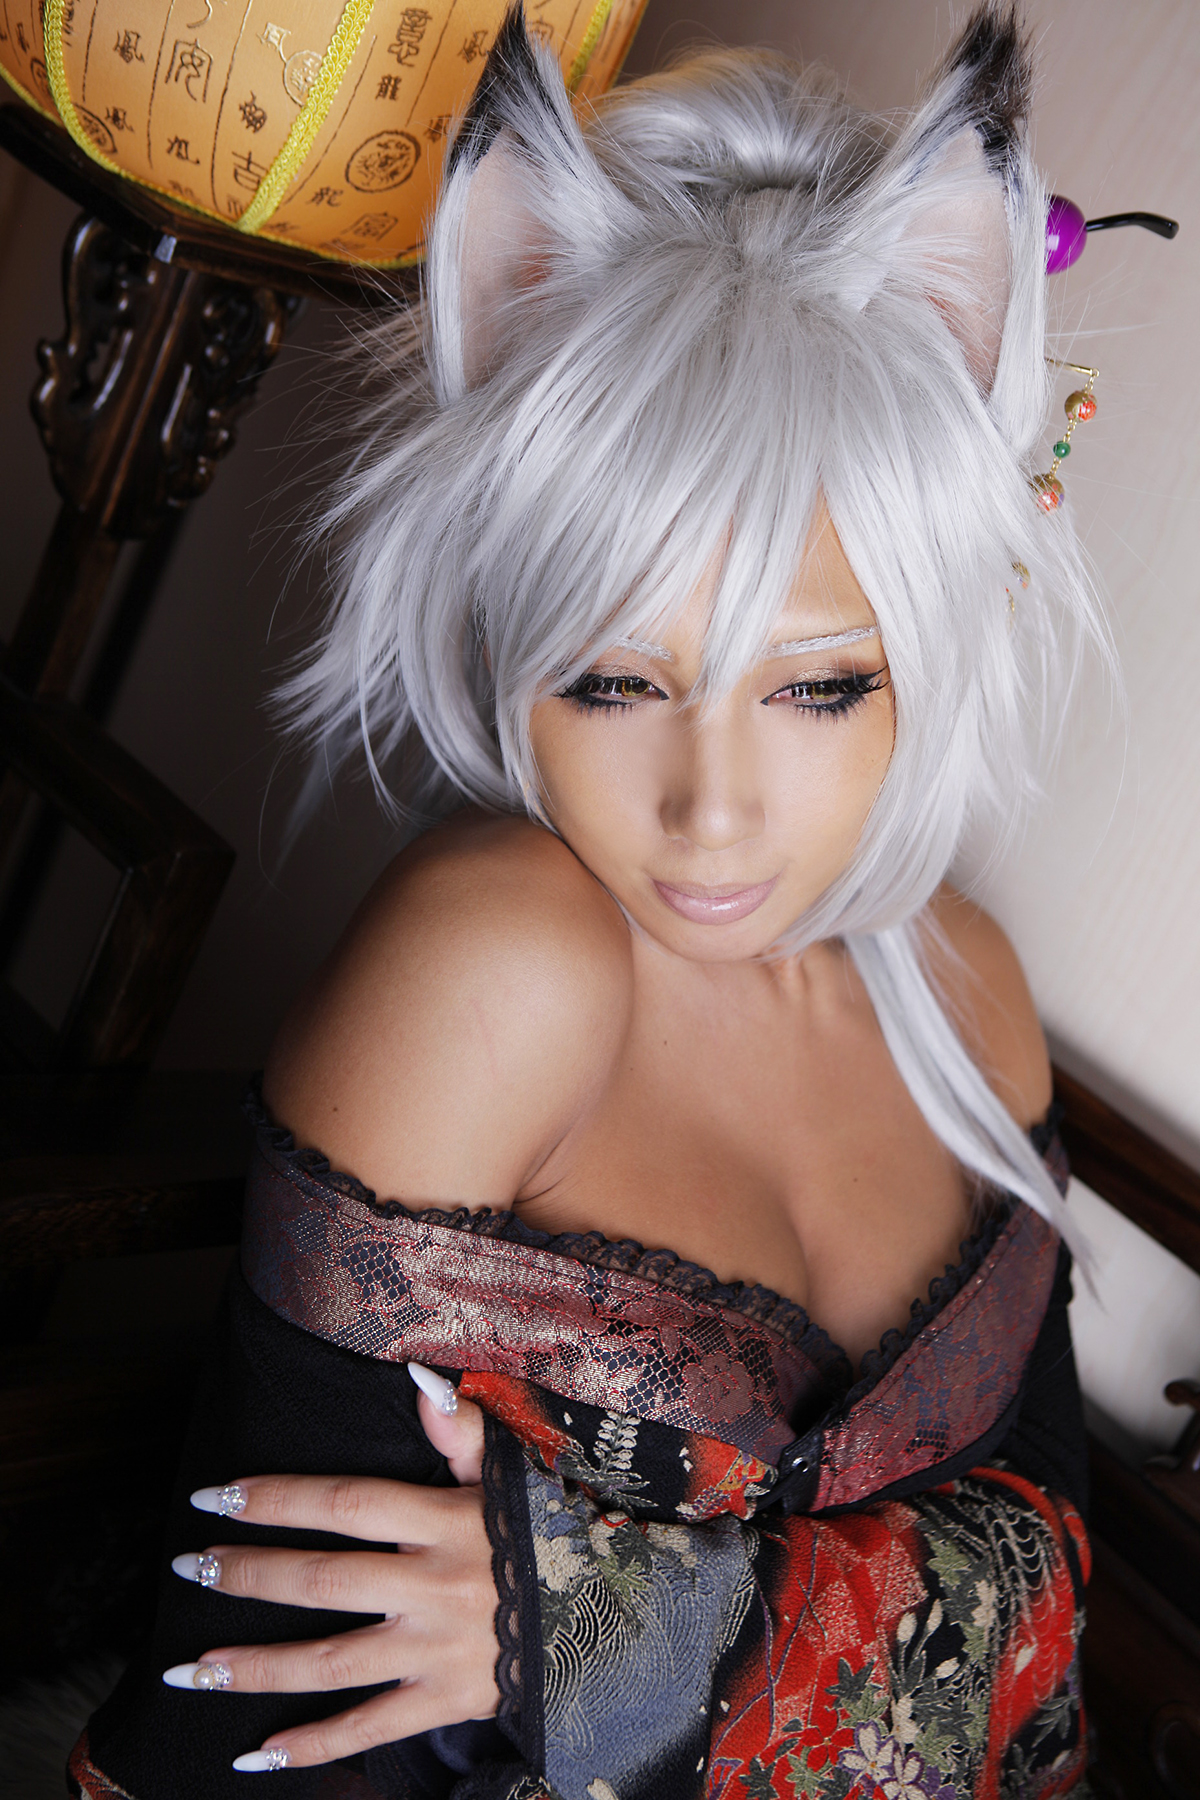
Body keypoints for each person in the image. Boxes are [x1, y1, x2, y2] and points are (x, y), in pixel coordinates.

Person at [73, 5, 1105, 1796]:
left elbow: (1055, 1602)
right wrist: (733, 1631)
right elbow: (242, 1709)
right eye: (615, 681)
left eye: (819, 686)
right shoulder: (500, 962)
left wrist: (611, 1629)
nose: (712, 809)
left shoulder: (969, 987)